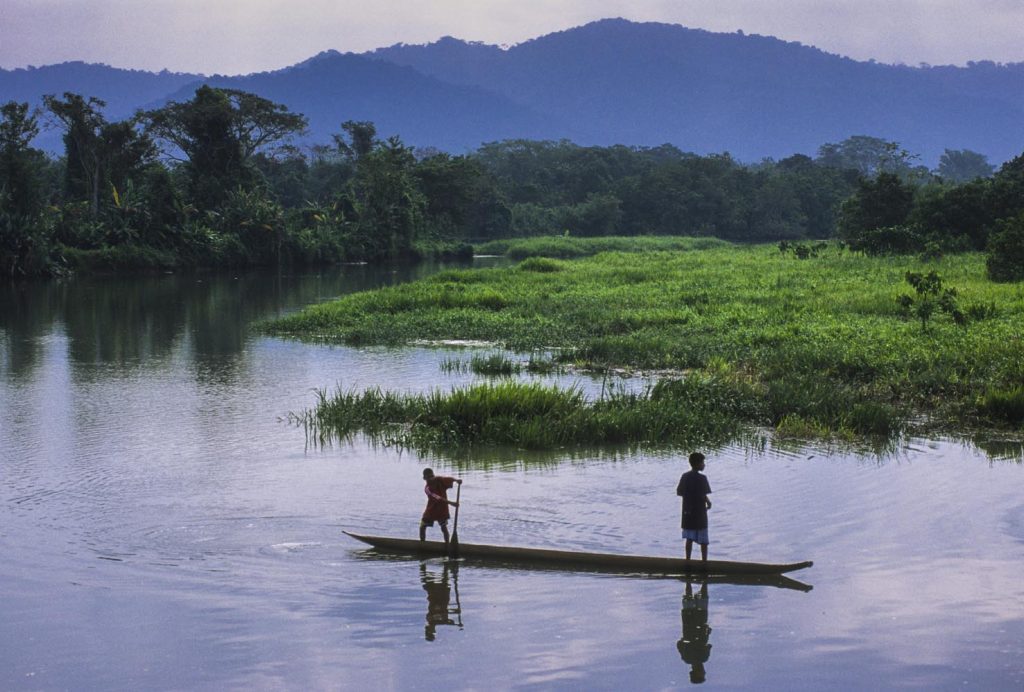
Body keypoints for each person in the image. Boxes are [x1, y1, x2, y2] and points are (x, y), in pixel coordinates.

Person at [676, 451, 712, 561]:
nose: (704, 465)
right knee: (704, 540)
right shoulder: (702, 478)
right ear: (697, 464)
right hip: (700, 513)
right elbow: (703, 494)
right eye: (702, 462)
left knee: (689, 538)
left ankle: (687, 560)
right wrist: (708, 502)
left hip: (688, 512)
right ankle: (704, 561)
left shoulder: (685, 476)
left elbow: (679, 492)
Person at [419, 467, 462, 544]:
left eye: (432, 476)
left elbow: (448, 479)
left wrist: (456, 480)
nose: (431, 478)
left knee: (443, 527)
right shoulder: (427, 489)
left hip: (442, 509)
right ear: (424, 478)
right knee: (422, 526)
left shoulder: (439, 480)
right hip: (432, 509)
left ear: (434, 475)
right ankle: (422, 544)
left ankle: (447, 545)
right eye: (428, 477)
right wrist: (452, 503)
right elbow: (438, 498)